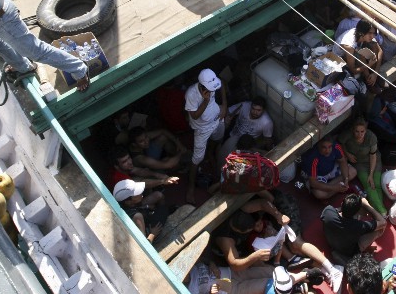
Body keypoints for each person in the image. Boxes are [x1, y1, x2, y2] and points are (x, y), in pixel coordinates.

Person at [227, 197, 344, 292]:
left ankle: (333, 269)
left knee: (296, 244)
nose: (258, 227)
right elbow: (235, 263)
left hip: (282, 210)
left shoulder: (249, 209)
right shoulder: (228, 238)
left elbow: (264, 203)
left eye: (258, 224)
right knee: (296, 253)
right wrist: (258, 256)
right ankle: (323, 270)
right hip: (274, 231)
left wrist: (278, 215)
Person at [185, 68, 228, 204]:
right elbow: (195, 116)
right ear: (202, 86)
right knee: (197, 158)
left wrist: (224, 107)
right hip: (202, 128)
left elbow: (222, 87)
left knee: (218, 137)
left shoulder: (214, 81)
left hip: (217, 118)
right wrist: (206, 100)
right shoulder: (191, 94)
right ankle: (191, 188)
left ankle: (210, 152)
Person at [320, 194, 387, 266]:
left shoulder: (328, 211)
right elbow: (383, 222)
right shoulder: (359, 226)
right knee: (379, 229)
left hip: (332, 241)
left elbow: (339, 211)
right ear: (357, 212)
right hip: (349, 251)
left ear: (342, 203)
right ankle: (358, 252)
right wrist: (367, 205)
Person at [339, 118, 387, 214]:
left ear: (366, 130)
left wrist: (371, 174)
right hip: (359, 163)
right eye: (357, 131)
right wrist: (347, 153)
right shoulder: (347, 135)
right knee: (369, 185)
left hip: (374, 161)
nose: (359, 134)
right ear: (353, 130)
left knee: (376, 183)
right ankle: (382, 211)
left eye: (362, 131)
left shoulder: (371, 137)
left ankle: (380, 209)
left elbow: (373, 156)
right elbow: (341, 142)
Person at [300, 135, 357, 201]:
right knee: (319, 194)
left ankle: (333, 189)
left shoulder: (336, 146)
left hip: (331, 168)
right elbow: (313, 183)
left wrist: (346, 180)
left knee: (353, 171)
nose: (327, 151)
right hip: (318, 175)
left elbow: (343, 161)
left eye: (330, 147)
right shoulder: (313, 157)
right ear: (318, 145)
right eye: (324, 147)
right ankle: (335, 189)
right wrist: (334, 188)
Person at [218, 97, 275, 162]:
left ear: (263, 110)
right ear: (250, 106)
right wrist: (228, 120)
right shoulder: (244, 105)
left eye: (258, 110)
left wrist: (269, 151)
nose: (255, 112)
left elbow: (267, 140)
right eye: (253, 109)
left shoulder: (267, 122)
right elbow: (229, 111)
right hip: (233, 136)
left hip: (247, 145)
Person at [334, 20, 383, 91]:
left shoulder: (365, 34)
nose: (372, 36)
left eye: (373, 33)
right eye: (370, 33)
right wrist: (369, 65)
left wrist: (375, 73)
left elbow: (380, 51)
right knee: (361, 58)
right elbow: (353, 70)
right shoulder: (349, 45)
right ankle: (369, 81)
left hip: (356, 53)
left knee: (366, 55)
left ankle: (372, 78)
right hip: (340, 59)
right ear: (361, 33)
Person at [113, 179, 167, 243]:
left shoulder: (124, 204)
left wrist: (146, 207)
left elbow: (146, 185)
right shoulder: (137, 217)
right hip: (149, 231)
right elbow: (144, 243)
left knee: (158, 195)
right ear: (128, 202)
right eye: (136, 194)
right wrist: (152, 234)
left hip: (136, 209)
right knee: (163, 211)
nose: (140, 193)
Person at [107, 145, 180, 191]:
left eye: (129, 158)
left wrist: (158, 175)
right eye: (124, 161)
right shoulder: (119, 179)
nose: (129, 162)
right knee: (157, 195)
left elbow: (138, 170)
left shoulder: (124, 168)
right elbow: (142, 184)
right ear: (116, 166)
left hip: (131, 188)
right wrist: (162, 181)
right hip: (127, 202)